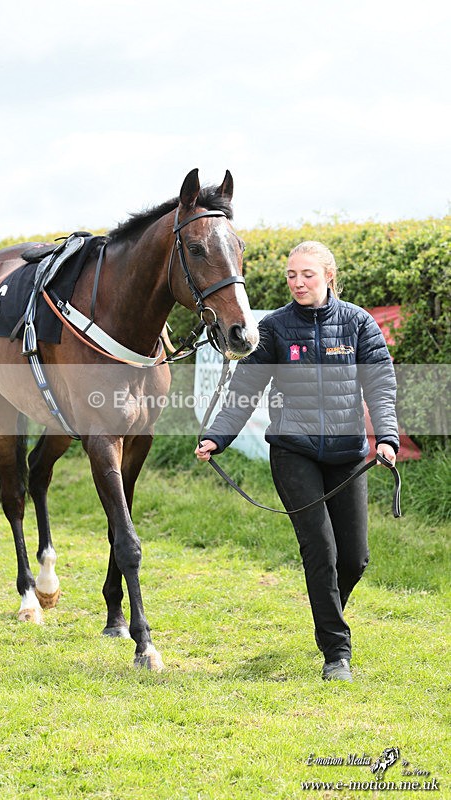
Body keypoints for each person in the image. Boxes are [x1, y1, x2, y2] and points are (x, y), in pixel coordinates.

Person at [195, 241, 399, 682]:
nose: (298, 282)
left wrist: (386, 438)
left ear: (328, 276)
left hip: (347, 453)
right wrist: (217, 436)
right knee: (320, 549)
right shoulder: (275, 328)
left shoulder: (358, 323)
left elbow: (380, 384)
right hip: (293, 451)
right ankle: (336, 653)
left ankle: (326, 614)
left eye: (307, 274)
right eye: (292, 275)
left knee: (355, 559)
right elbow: (245, 388)